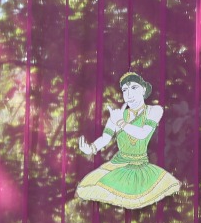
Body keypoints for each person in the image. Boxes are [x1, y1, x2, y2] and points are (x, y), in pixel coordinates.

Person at [76, 72, 181, 209]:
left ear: (143, 89)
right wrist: (91, 148)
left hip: (140, 166)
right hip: (117, 164)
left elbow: (142, 134)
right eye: (125, 90)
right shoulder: (117, 115)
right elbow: (105, 138)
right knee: (92, 187)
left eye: (134, 88)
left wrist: (120, 122)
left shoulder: (154, 110)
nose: (129, 94)